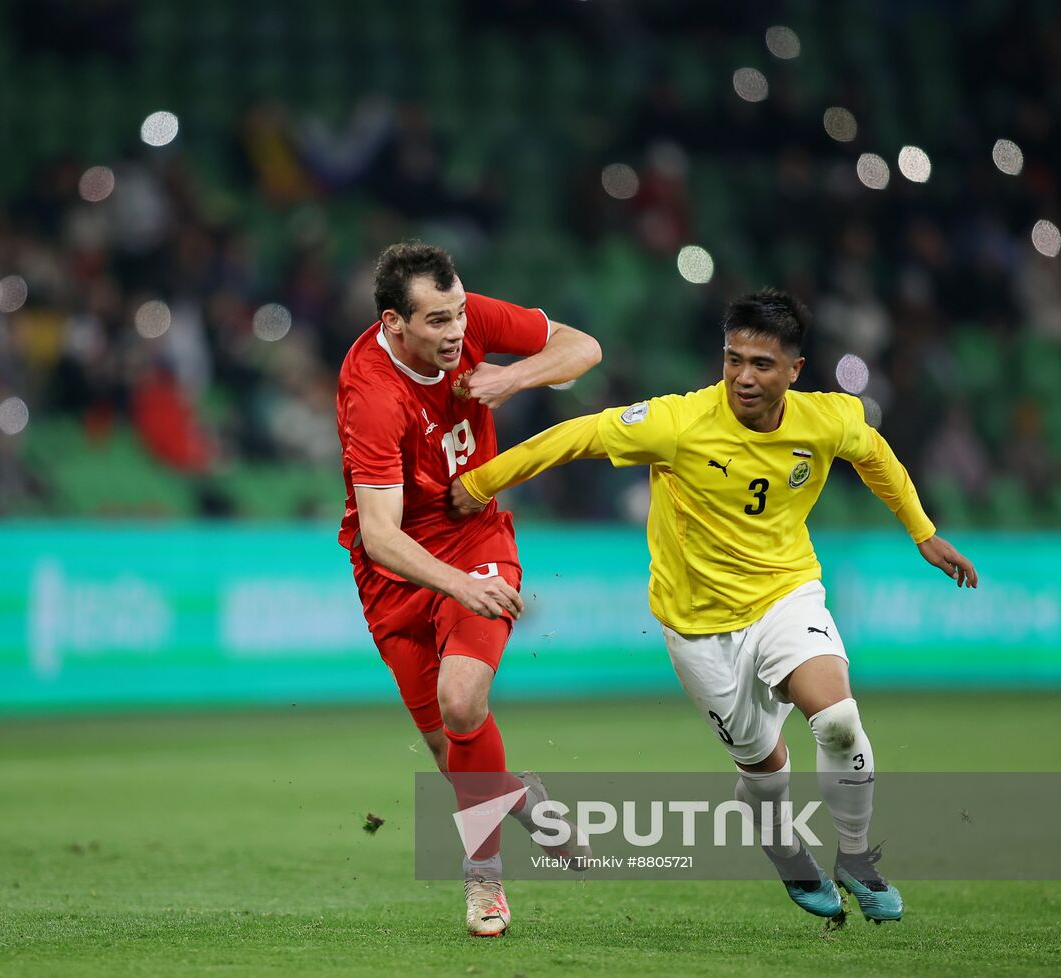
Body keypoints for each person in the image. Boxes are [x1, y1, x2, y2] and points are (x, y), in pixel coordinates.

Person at [450, 288, 978, 924]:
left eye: (761, 364)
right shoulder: (678, 422)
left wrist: (922, 531)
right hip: (698, 627)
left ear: (794, 371)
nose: (743, 377)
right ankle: (783, 847)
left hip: (786, 592)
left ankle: (858, 858)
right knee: (765, 767)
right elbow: (576, 436)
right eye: (733, 360)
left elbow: (875, 456)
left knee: (837, 720)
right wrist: (480, 483)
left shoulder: (828, 418)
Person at [337, 241, 602, 936]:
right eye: (436, 323)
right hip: (397, 570)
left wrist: (512, 380)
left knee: (462, 702)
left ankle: (484, 881)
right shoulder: (370, 390)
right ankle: (520, 800)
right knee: (449, 751)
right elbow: (380, 534)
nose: (456, 332)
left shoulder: (469, 322)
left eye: (458, 314)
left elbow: (583, 349)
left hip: (477, 535)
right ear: (395, 325)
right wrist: (458, 587)